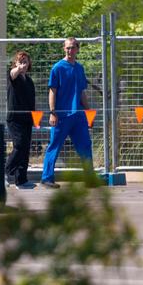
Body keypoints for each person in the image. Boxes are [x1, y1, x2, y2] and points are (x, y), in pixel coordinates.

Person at [41, 37, 93, 188]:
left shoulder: (79, 68)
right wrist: (52, 112)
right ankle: (47, 178)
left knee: (85, 145)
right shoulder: (57, 68)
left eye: (73, 47)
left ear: (77, 48)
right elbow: (52, 91)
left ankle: (90, 177)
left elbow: (82, 92)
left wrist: (88, 110)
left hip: (78, 116)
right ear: (64, 49)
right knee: (54, 145)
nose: (70, 50)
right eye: (67, 48)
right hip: (61, 115)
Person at [6, 50, 36, 189]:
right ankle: (5, 172)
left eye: (26, 62)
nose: (23, 65)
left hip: (27, 118)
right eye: (20, 62)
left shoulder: (29, 81)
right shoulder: (13, 76)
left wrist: (34, 118)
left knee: (25, 148)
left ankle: (21, 179)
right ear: (15, 64)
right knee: (19, 145)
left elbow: (31, 101)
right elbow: (13, 73)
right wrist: (18, 68)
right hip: (15, 118)